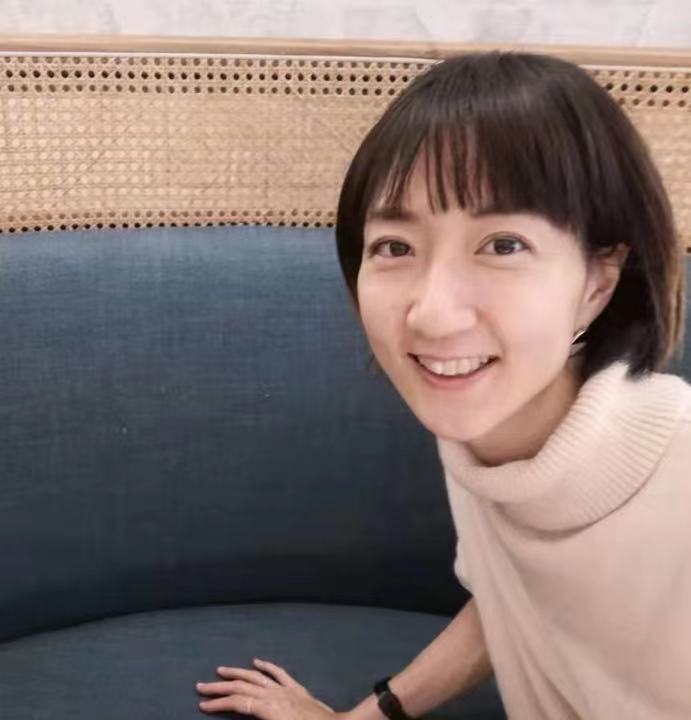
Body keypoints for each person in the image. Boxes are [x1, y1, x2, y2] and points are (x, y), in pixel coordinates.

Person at [194, 51, 691, 720]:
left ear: (598, 282)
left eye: (503, 244)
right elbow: (513, 593)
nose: (432, 314)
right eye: (395, 247)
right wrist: (365, 716)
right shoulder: (485, 432)